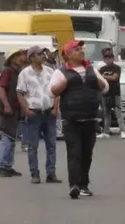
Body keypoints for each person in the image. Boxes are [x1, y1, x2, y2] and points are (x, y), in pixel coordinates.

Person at [50, 40, 108, 199]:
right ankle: (74, 185)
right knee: (74, 152)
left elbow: (105, 87)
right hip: (72, 120)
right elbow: (52, 92)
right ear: (68, 54)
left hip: (90, 119)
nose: (81, 51)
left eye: (81, 48)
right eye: (77, 49)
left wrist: (97, 81)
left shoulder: (91, 69)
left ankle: (84, 184)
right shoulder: (60, 72)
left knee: (87, 154)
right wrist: (66, 81)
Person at [17, 46, 59, 183]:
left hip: (49, 112)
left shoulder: (50, 71)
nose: (43, 56)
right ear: (32, 57)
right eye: (39, 54)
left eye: (43, 53)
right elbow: (20, 93)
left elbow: (56, 90)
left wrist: (55, 108)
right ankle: (35, 174)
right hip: (34, 113)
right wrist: (26, 109)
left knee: (51, 145)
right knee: (33, 146)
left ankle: (51, 173)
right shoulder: (24, 74)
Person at [0, 47, 26, 177]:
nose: (21, 57)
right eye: (18, 55)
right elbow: (1, 89)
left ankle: (7, 165)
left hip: (13, 109)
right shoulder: (8, 71)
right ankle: (1, 164)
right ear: (12, 59)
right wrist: (6, 105)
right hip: (7, 109)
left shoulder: (17, 72)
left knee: (11, 138)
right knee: (7, 137)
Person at [97, 48, 125, 140]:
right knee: (106, 113)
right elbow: (98, 80)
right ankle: (106, 131)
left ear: (113, 58)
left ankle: (122, 131)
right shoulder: (102, 69)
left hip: (115, 93)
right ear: (104, 59)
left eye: (110, 57)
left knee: (118, 112)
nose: (108, 59)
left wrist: (104, 77)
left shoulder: (117, 68)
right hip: (105, 94)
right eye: (106, 57)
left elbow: (114, 77)